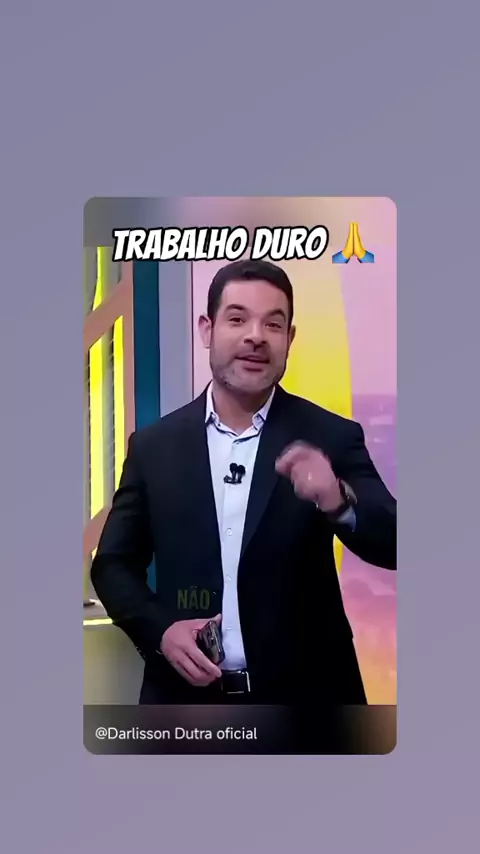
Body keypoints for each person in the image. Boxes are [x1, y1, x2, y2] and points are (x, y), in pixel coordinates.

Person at [91, 259, 396, 707]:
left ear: (289, 339)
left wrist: (337, 498)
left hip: (310, 709)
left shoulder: (330, 436)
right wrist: (161, 631)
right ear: (207, 330)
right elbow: (112, 565)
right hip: (186, 708)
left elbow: (394, 543)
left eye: (273, 324)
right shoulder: (154, 447)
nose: (256, 336)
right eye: (237, 319)